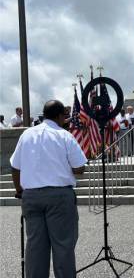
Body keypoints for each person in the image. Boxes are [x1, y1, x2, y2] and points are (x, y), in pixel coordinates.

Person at [10, 100, 87, 278]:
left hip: (31, 196)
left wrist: (20, 191)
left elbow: (15, 166)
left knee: (35, 247)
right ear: (60, 116)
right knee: (63, 246)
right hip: (59, 196)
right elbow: (79, 168)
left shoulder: (27, 134)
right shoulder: (64, 135)